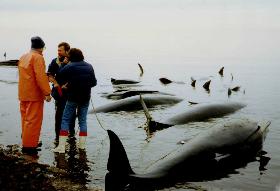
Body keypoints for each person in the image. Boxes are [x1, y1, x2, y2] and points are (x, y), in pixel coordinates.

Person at [52, 48, 97, 153]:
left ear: (70, 57)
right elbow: (94, 83)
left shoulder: (69, 66)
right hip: (85, 97)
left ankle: (61, 147)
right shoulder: (89, 66)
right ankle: (82, 146)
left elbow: (59, 75)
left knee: (65, 119)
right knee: (83, 121)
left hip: (72, 97)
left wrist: (63, 64)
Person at [18, 36, 51, 154]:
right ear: (41, 47)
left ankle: (27, 142)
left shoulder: (23, 57)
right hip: (34, 95)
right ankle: (30, 146)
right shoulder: (38, 58)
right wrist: (47, 93)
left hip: (23, 93)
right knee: (33, 121)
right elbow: (40, 77)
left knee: (25, 119)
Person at [48, 42, 76, 142]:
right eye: (58, 50)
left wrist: (68, 84)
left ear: (67, 51)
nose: (58, 52)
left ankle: (71, 136)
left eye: (60, 50)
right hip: (59, 93)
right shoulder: (54, 61)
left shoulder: (73, 61)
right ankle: (57, 137)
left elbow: (76, 76)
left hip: (71, 92)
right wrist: (56, 83)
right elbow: (50, 75)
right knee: (59, 115)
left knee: (72, 115)